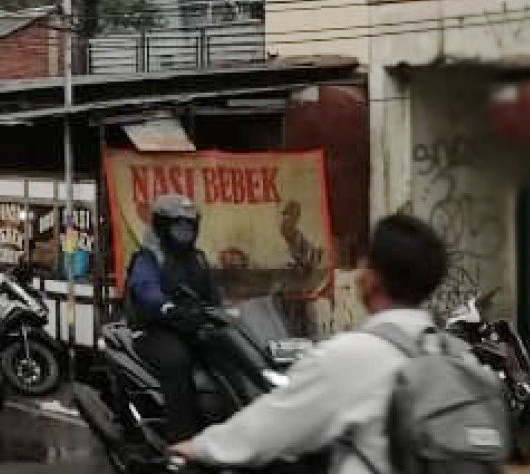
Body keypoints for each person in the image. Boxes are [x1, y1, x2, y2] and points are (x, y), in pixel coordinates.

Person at [172, 214, 450, 474]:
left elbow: (271, 426)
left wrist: (197, 448)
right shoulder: (455, 355)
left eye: (365, 263)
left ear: (372, 279)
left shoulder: (351, 355)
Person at [126, 194, 223, 442]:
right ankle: (181, 441)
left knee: (232, 355)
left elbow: (214, 294)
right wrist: (166, 307)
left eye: (190, 226)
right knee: (177, 361)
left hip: (193, 327)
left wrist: (228, 312)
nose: (186, 231)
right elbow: (145, 288)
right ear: (162, 226)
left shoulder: (198, 258)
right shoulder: (148, 257)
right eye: (179, 225)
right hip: (155, 330)